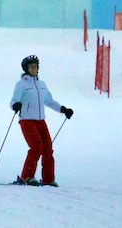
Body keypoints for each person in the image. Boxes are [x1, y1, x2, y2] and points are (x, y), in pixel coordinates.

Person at [9, 55, 73, 187]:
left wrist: (63, 109)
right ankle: (27, 176)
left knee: (48, 148)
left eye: (36, 66)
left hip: (40, 120)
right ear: (26, 69)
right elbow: (14, 101)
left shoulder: (41, 84)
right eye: (31, 66)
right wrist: (16, 105)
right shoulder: (22, 84)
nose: (34, 68)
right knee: (36, 147)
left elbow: (49, 101)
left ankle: (48, 179)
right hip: (27, 120)